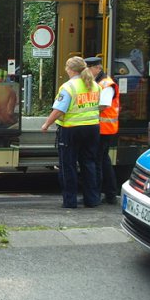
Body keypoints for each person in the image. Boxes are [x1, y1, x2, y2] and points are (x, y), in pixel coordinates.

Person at [40, 56, 102, 209]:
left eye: (67, 68)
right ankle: (92, 200)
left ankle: (70, 201)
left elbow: (60, 109)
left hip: (72, 129)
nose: (66, 70)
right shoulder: (95, 85)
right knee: (89, 163)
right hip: (93, 128)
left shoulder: (68, 87)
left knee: (68, 165)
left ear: (71, 69)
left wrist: (47, 124)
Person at [86, 57, 119, 205]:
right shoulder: (99, 83)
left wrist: (85, 108)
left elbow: (104, 105)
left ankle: (97, 194)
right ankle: (110, 194)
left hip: (104, 129)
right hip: (101, 128)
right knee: (103, 161)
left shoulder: (106, 84)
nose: (86, 72)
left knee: (97, 162)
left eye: (88, 69)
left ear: (97, 68)